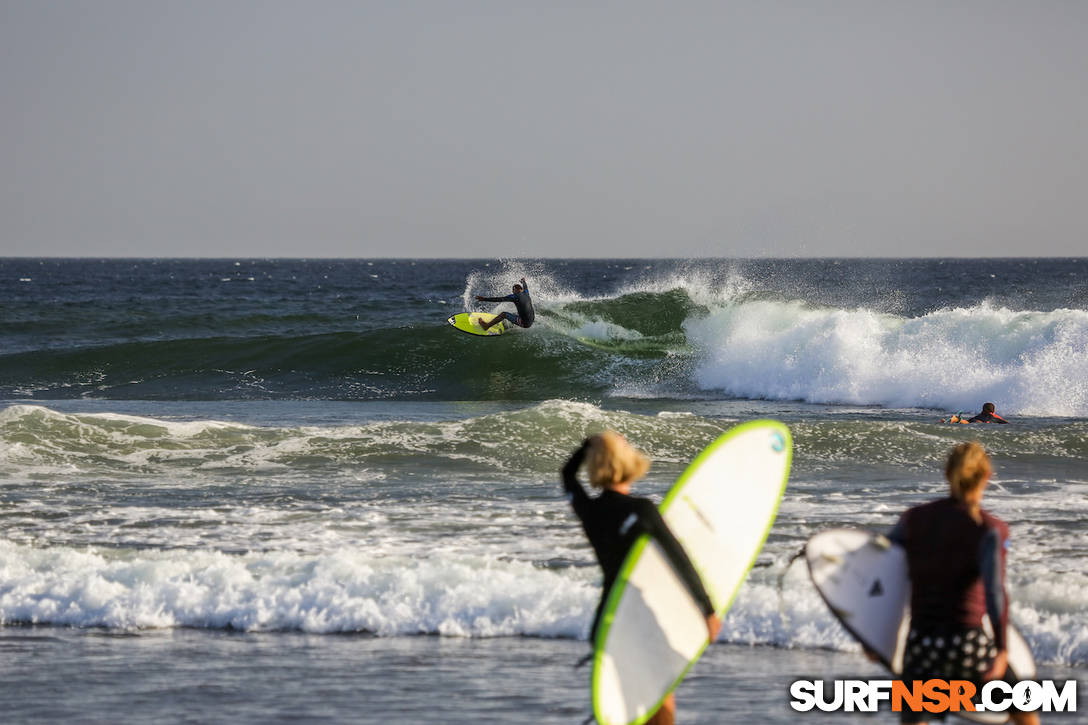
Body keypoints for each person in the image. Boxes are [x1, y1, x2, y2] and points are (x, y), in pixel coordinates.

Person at [562, 432, 721, 725]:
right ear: (628, 462)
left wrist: (589, 445)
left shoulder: (590, 511)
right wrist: (707, 609)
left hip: (606, 623)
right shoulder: (642, 511)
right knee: (659, 705)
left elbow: (567, 476)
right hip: (639, 620)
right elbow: (680, 560)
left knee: (627, 707)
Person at [887, 442, 1037, 725]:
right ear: (987, 475)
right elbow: (994, 593)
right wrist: (1002, 650)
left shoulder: (914, 519)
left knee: (914, 718)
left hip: (920, 644)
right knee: (1025, 709)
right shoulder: (988, 528)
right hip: (966, 644)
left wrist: (873, 637)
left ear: (946, 473)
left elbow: (881, 568)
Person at [940, 403, 1008, 424]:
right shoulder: (994, 416)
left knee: (966, 422)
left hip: (977, 420)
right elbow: (1006, 423)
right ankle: (956, 419)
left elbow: (968, 421)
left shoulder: (979, 415)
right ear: (993, 410)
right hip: (983, 422)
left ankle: (956, 419)